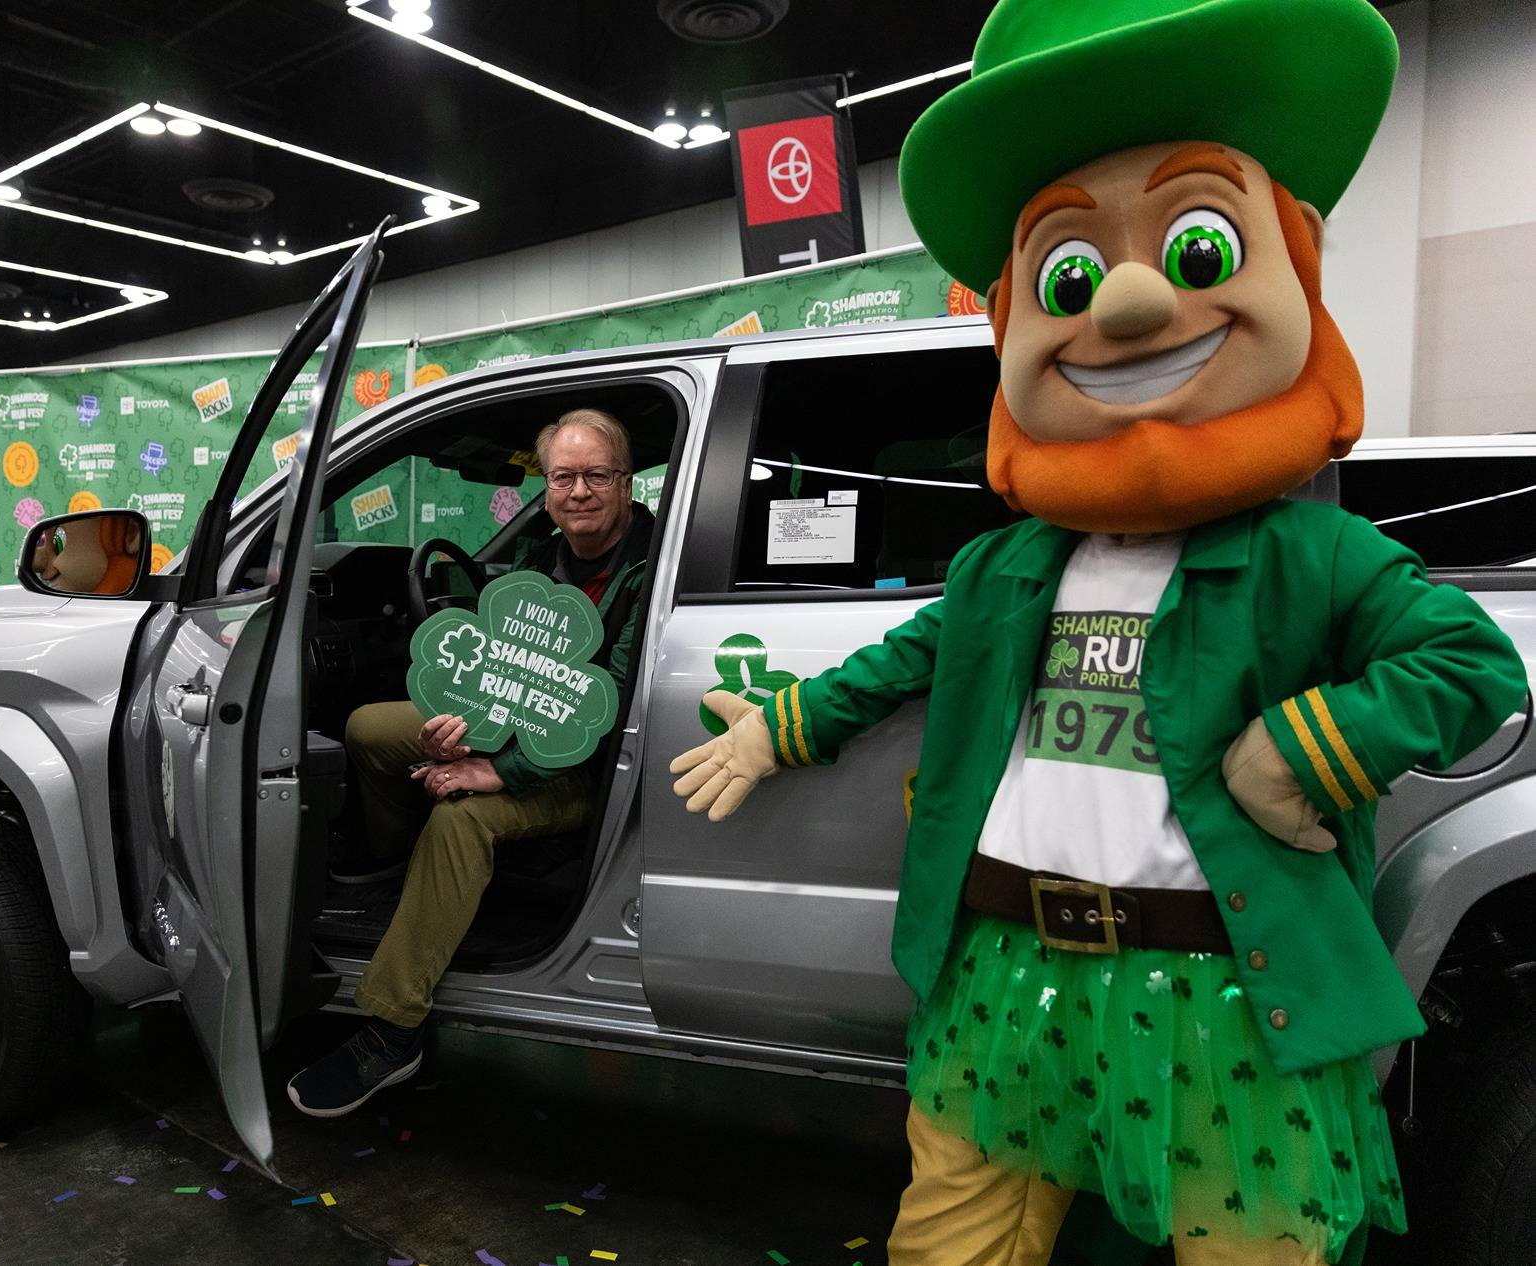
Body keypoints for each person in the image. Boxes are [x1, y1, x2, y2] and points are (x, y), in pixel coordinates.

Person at [672, 2, 1528, 1262]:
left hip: (1219, 986)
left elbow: (1470, 664)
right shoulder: (1006, 564)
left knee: (1253, 1246)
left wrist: (1304, 747)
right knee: (952, 1240)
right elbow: (901, 661)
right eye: (1067, 278)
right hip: (1005, 968)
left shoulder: (1310, 554)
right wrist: (776, 731)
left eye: (1196, 248)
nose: (1124, 302)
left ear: (1293, 264)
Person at [287, 408, 653, 1117]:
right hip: (515, 730)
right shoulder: (539, 556)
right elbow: (494, 667)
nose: (579, 491)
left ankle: (393, 1028)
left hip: (587, 765)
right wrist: (460, 732)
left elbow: (607, 707)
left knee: (459, 821)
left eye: (596, 476)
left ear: (626, 482)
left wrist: (498, 770)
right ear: (546, 488)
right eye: (563, 477)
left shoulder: (650, 567)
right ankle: (406, 874)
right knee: (369, 728)